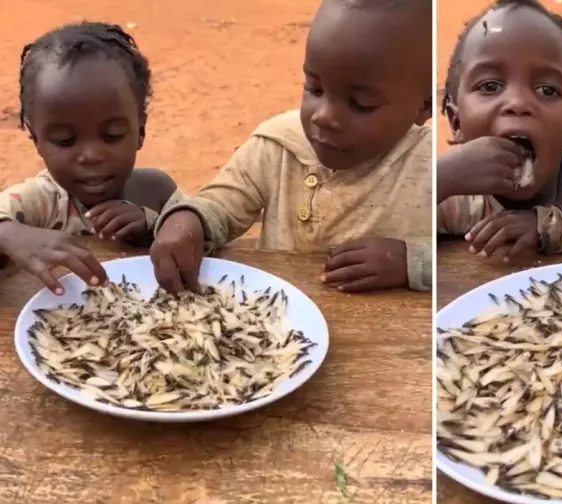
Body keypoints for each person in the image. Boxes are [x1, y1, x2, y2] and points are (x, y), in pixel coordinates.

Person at [149, 0, 432, 294]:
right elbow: (219, 207)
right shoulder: (276, 145)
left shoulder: (432, 170)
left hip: (384, 335)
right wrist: (186, 221)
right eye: (314, 89)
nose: (323, 116)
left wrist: (410, 261)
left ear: (423, 106)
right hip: (276, 320)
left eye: (361, 104)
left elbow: (471, 249)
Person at [436, 0, 562, 262]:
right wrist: (440, 179)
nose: (518, 103)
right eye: (490, 86)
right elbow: (391, 231)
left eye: (547, 90)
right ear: (456, 123)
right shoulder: (456, 193)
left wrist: (557, 229)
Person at [0, 22, 177, 295]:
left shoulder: (158, 191)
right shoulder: (40, 202)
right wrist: (11, 235)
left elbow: (200, 230)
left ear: (140, 131)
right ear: (37, 141)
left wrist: (151, 225)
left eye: (112, 135)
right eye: (64, 141)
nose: (91, 156)